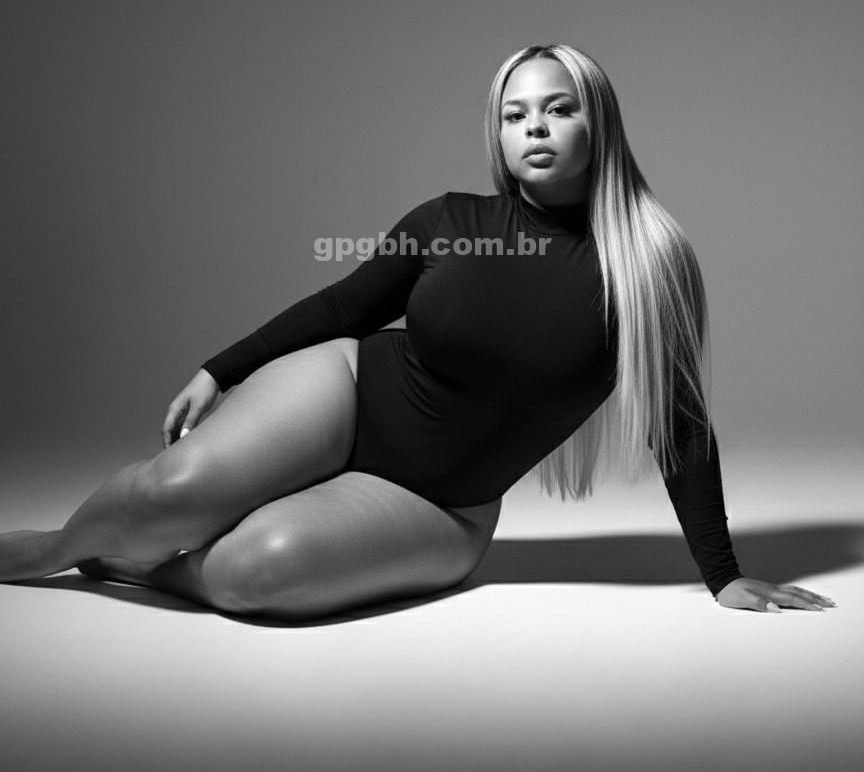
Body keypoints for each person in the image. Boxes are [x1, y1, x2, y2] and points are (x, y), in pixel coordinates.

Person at [0, 44, 836, 619]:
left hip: (443, 507)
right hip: (347, 395)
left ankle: (138, 563)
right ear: (498, 134)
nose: (535, 127)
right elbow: (343, 309)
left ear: (600, 124)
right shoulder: (452, 222)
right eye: (514, 114)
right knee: (168, 493)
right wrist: (220, 369)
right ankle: (54, 550)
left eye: (558, 109)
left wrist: (722, 576)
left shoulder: (650, 263)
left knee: (259, 574)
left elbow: (679, 422)